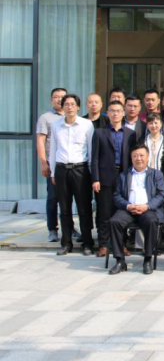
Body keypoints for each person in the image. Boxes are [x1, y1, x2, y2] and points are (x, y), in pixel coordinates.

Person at [107, 143, 164, 275]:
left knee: (151, 221)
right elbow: (116, 196)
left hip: (147, 209)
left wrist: (147, 206)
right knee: (114, 222)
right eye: (135, 156)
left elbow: (162, 195)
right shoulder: (124, 175)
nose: (138, 159)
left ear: (147, 157)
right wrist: (128, 206)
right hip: (128, 209)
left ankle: (148, 259)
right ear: (131, 158)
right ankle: (120, 260)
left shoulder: (156, 174)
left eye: (141, 155)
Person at [49, 94, 95, 256]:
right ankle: (66, 243)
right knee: (64, 208)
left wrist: (92, 173)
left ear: (78, 107)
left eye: (72, 104)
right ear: (62, 107)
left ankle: (87, 243)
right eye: (66, 104)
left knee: (84, 208)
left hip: (80, 169)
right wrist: (53, 172)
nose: (69, 107)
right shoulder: (56, 125)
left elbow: (91, 150)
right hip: (61, 169)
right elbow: (53, 149)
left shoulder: (86, 124)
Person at [91, 100, 135, 258]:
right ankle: (103, 244)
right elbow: (95, 158)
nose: (115, 114)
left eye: (118, 111)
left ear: (123, 113)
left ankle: (121, 244)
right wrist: (95, 178)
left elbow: (133, 158)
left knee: (122, 212)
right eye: (112, 111)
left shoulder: (130, 133)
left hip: (124, 176)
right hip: (104, 177)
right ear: (107, 113)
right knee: (104, 211)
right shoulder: (99, 133)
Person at [37, 87, 67, 242]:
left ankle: (69, 227)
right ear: (51, 99)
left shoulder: (71, 116)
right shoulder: (46, 118)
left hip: (68, 163)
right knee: (53, 197)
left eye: (62, 97)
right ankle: (52, 229)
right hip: (52, 163)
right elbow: (40, 141)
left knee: (67, 198)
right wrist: (43, 162)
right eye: (56, 96)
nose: (59, 99)